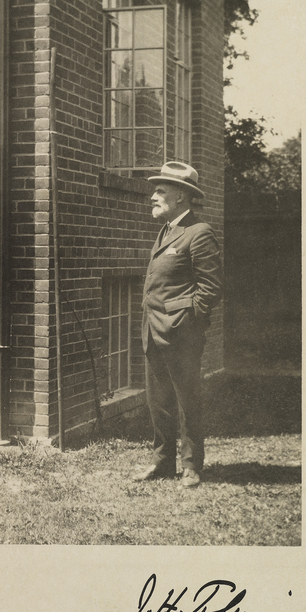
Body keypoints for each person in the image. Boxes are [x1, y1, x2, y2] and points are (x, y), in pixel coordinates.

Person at [133, 161, 222, 488]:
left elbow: (210, 288)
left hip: (181, 333)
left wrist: (187, 322)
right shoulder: (167, 230)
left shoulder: (198, 233)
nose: (152, 197)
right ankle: (162, 462)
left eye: (160, 191)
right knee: (160, 401)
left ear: (181, 197)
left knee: (187, 400)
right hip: (153, 331)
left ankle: (191, 466)